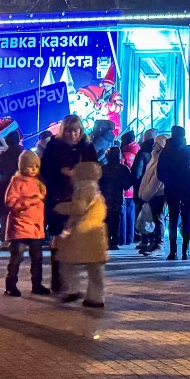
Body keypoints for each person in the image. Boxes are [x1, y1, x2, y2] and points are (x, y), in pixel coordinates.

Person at [41, 115, 99, 291]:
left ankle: (73, 281)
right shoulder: (54, 147)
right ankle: (58, 281)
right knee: (59, 239)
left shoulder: (86, 148)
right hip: (58, 199)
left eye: (76, 131)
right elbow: (45, 171)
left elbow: (95, 172)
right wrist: (61, 172)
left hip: (79, 199)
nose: (72, 134)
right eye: (68, 131)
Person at [55, 161, 108, 308]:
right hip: (97, 233)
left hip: (82, 232)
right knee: (95, 268)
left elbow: (78, 208)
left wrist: (60, 207)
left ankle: (73, 289)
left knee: (68, 262)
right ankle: (96, 297)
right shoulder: (96, 190)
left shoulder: (84, 189)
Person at [3, 150, 50, 296]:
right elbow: (11, 202)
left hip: (35, 226)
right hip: (20, 225)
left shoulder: (38, 183)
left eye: (36, 166)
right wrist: (31, 200)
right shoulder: (16, 182)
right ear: (23, 167)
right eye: (30, 166)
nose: (34, 169)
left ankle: (37, 284)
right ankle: (11, 284)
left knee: (37, 258)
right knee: (17, 257)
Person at [156, 125, 190, 260]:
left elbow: (160, 173)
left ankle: (173, 252)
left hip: (171, 188)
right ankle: (185, 251)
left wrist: (168, 181)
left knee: (173, 218)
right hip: (188, 188)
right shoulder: (189, 150)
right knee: (186, 217)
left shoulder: (166, 152)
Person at [0, 129, 24, 246]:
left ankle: (5, 238)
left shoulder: (4, 154)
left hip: (4, 185)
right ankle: (18, 237)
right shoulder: (23, 153)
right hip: (20, 186)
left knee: (5, 213)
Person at [136, 135, 168, 255]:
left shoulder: (161, 160)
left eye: (156, 143)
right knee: (153, 219)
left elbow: (156, 180)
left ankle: (158, 244)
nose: (154, 145)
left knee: (158, 218)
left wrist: (146, 193)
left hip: (158, 194)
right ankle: (153, 243)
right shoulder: (154, 158)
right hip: (152, 194)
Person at [100, 147, 133, 250]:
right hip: (118, 197)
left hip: (104, 197)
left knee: (105, 219)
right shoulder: (123, 169)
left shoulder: (103, 169)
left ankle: (106, 240)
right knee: (116, 219)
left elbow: (98, 183)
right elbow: (128, 183)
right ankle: (114, 241)